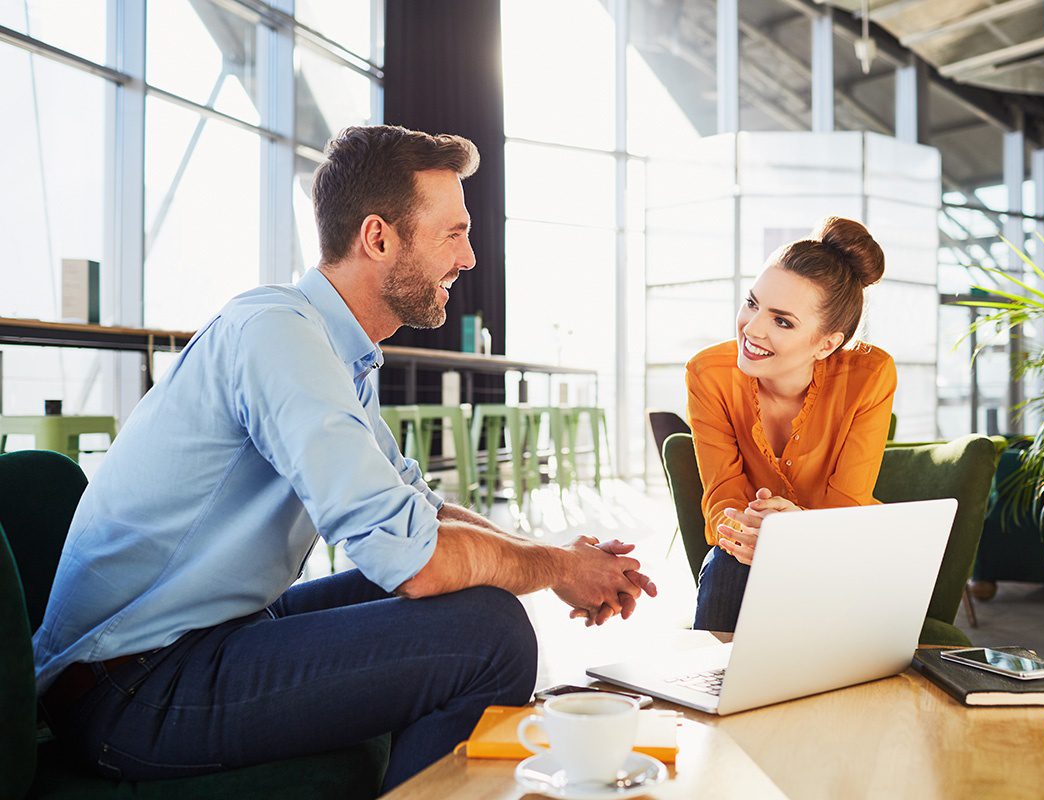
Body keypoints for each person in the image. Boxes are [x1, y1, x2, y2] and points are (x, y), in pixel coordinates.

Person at [32, 125, 657, 791]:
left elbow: (417, 509)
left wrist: (556, 561)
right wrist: (557, 565)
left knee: (480, 589)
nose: (468, 259)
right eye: (453, 233)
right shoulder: (277, 334)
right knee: (489, 634)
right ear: (379, 238)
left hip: (201, 641)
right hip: (133, 686)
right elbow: (414, 561)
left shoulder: (330, 349)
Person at [687, 217, 896, 632]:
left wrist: (793, 531)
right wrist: (753, 532)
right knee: (730, 559)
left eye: (782, 321)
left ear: (827, 344)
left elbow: (847, 509)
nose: (753, 328)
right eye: (752, 303)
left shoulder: (869, 375)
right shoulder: (708, 373)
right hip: (744, 558)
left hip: (837, 550)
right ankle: (713, 690)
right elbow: (723, 500)